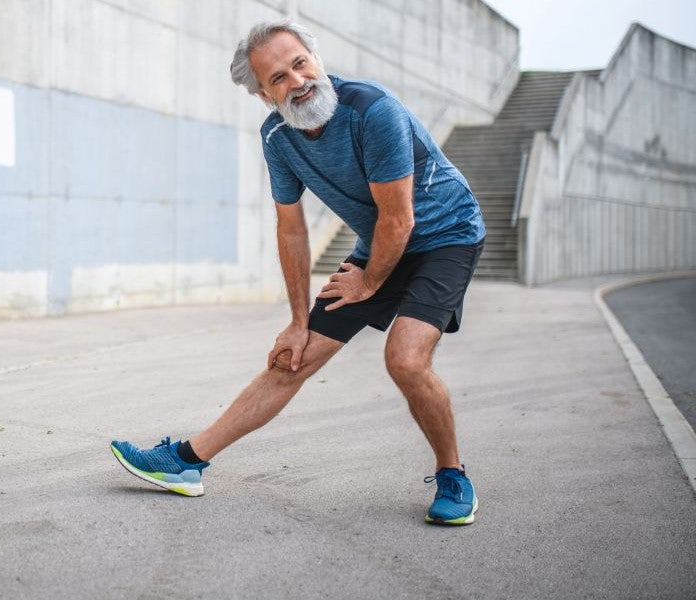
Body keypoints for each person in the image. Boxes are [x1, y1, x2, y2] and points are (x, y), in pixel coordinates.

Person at [110, 20, 486, 525]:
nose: (298, 81)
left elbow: (401, 219)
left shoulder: (374, 112)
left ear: (317, 59)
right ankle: (185, 463)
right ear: (266, 96)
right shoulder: (278, 137)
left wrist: (369, 283)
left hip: (446, 235)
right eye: (279, 78)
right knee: (292, 357)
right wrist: (296, 321)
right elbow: (291, 228)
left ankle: (452, 475)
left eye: (300, 63)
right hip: (379, 243)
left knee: (406, 358)